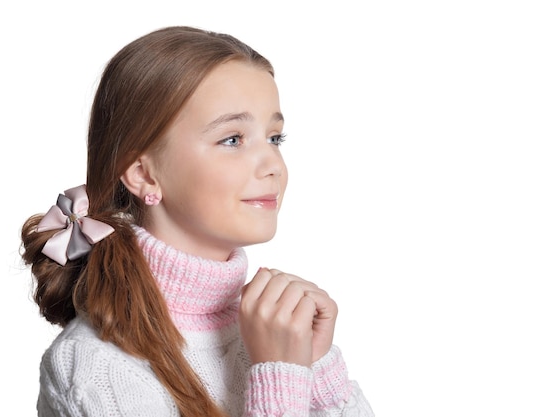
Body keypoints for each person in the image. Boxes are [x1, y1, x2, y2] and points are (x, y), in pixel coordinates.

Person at [20, 25, 375, 417]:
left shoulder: (272, 331)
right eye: (233, 139)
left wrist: (320, 369)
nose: (273, 164)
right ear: (143, 174)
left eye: (275, 138)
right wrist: (281, 378)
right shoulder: (96, 368)